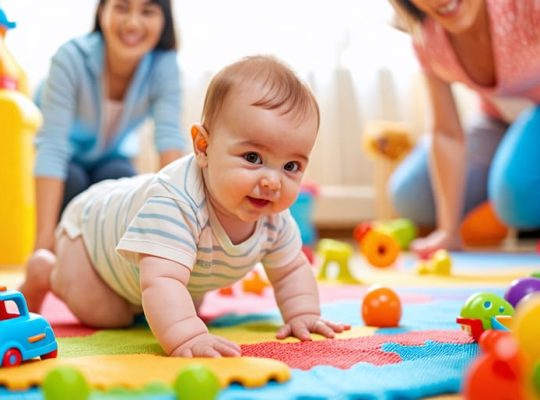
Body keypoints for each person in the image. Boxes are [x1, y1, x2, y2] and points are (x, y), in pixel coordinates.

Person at [20, 55, 351, 357]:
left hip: (154, 269)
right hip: (92, 240)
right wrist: (186, 336)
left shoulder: (273, 216)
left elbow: (291, 269)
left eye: (291, 166)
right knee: (108, 314)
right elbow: (161, 280)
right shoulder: (177, 202)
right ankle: (45, 270)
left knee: (180, 299)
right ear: (203, 147)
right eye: (253, 158)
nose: (272, 181)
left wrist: (303, 314)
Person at [27, 0, 187, 282]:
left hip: (112, 159)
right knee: (73, 180)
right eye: (122, 7)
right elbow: (52, 147)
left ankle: (115, 273)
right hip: (67, 162)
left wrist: (182, 226)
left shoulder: (164, 65)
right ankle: (68, 262)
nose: (133, 22)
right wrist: (43, 244)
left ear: (164, 21)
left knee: (123, 180)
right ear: (103, 12)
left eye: (147, 11)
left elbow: (169, 139)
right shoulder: (70, 58)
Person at [387, 0, 540, 255]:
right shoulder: (427, 37)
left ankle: (512, 195)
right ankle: (507, 188)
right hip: (496, 122)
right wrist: (449, 231)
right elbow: (446, 133)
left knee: (513, 198)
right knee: (410, 195)